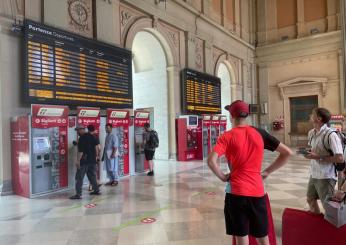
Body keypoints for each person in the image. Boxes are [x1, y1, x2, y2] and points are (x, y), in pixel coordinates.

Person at [207, 100, 292, 245]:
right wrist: (266, 172)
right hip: (257, 192)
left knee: (241, 237)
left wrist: (222, 177)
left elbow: (211, 161)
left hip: (236, 193)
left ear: (231, 116)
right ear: (247, 115)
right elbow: (287, 153)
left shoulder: (227, 136)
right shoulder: (260, 133)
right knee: (262, 236)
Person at [304, 108, 344, 214]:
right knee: (310, 199)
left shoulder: (331, 135)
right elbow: (313, 151)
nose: (310, 115)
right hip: (314, 173)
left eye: (312, 114)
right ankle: (317, 223)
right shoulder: (311, 133)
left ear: (319, 119)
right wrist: (307, 153)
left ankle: (332, 229)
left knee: (328, 206)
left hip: (326, 175)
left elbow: (340, 158)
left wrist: (319, 157)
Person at [70, 124, 101, 199]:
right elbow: (96, 148)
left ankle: (78, 194)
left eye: (78, 130)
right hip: (92, 160)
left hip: (84, 161)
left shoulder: (82, 138)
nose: (77, 132)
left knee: (79, 177)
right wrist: (96, 157)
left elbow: (81, 151)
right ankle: (96, 190)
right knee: (92, 176)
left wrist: (78, 161)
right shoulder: (92, 136)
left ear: (81, 130)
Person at [87, 125, 102, 191]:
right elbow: (99, 147)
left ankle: (92, 185)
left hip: (87, 157)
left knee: (90, 172)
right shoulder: (95, 137)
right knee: (94, 171)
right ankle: (94, 184)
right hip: (94, 157)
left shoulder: (85, 136)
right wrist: (97, 156)